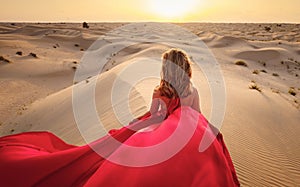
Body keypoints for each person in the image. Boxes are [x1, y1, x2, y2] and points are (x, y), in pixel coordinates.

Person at [0, 49, 240, 186]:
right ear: (186, 68)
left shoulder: (160, 91)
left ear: (165, 70)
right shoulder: (192, 90)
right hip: (192, 134)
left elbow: (157, 116)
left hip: (164, 133)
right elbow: (197, 114)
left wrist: (138, 125)